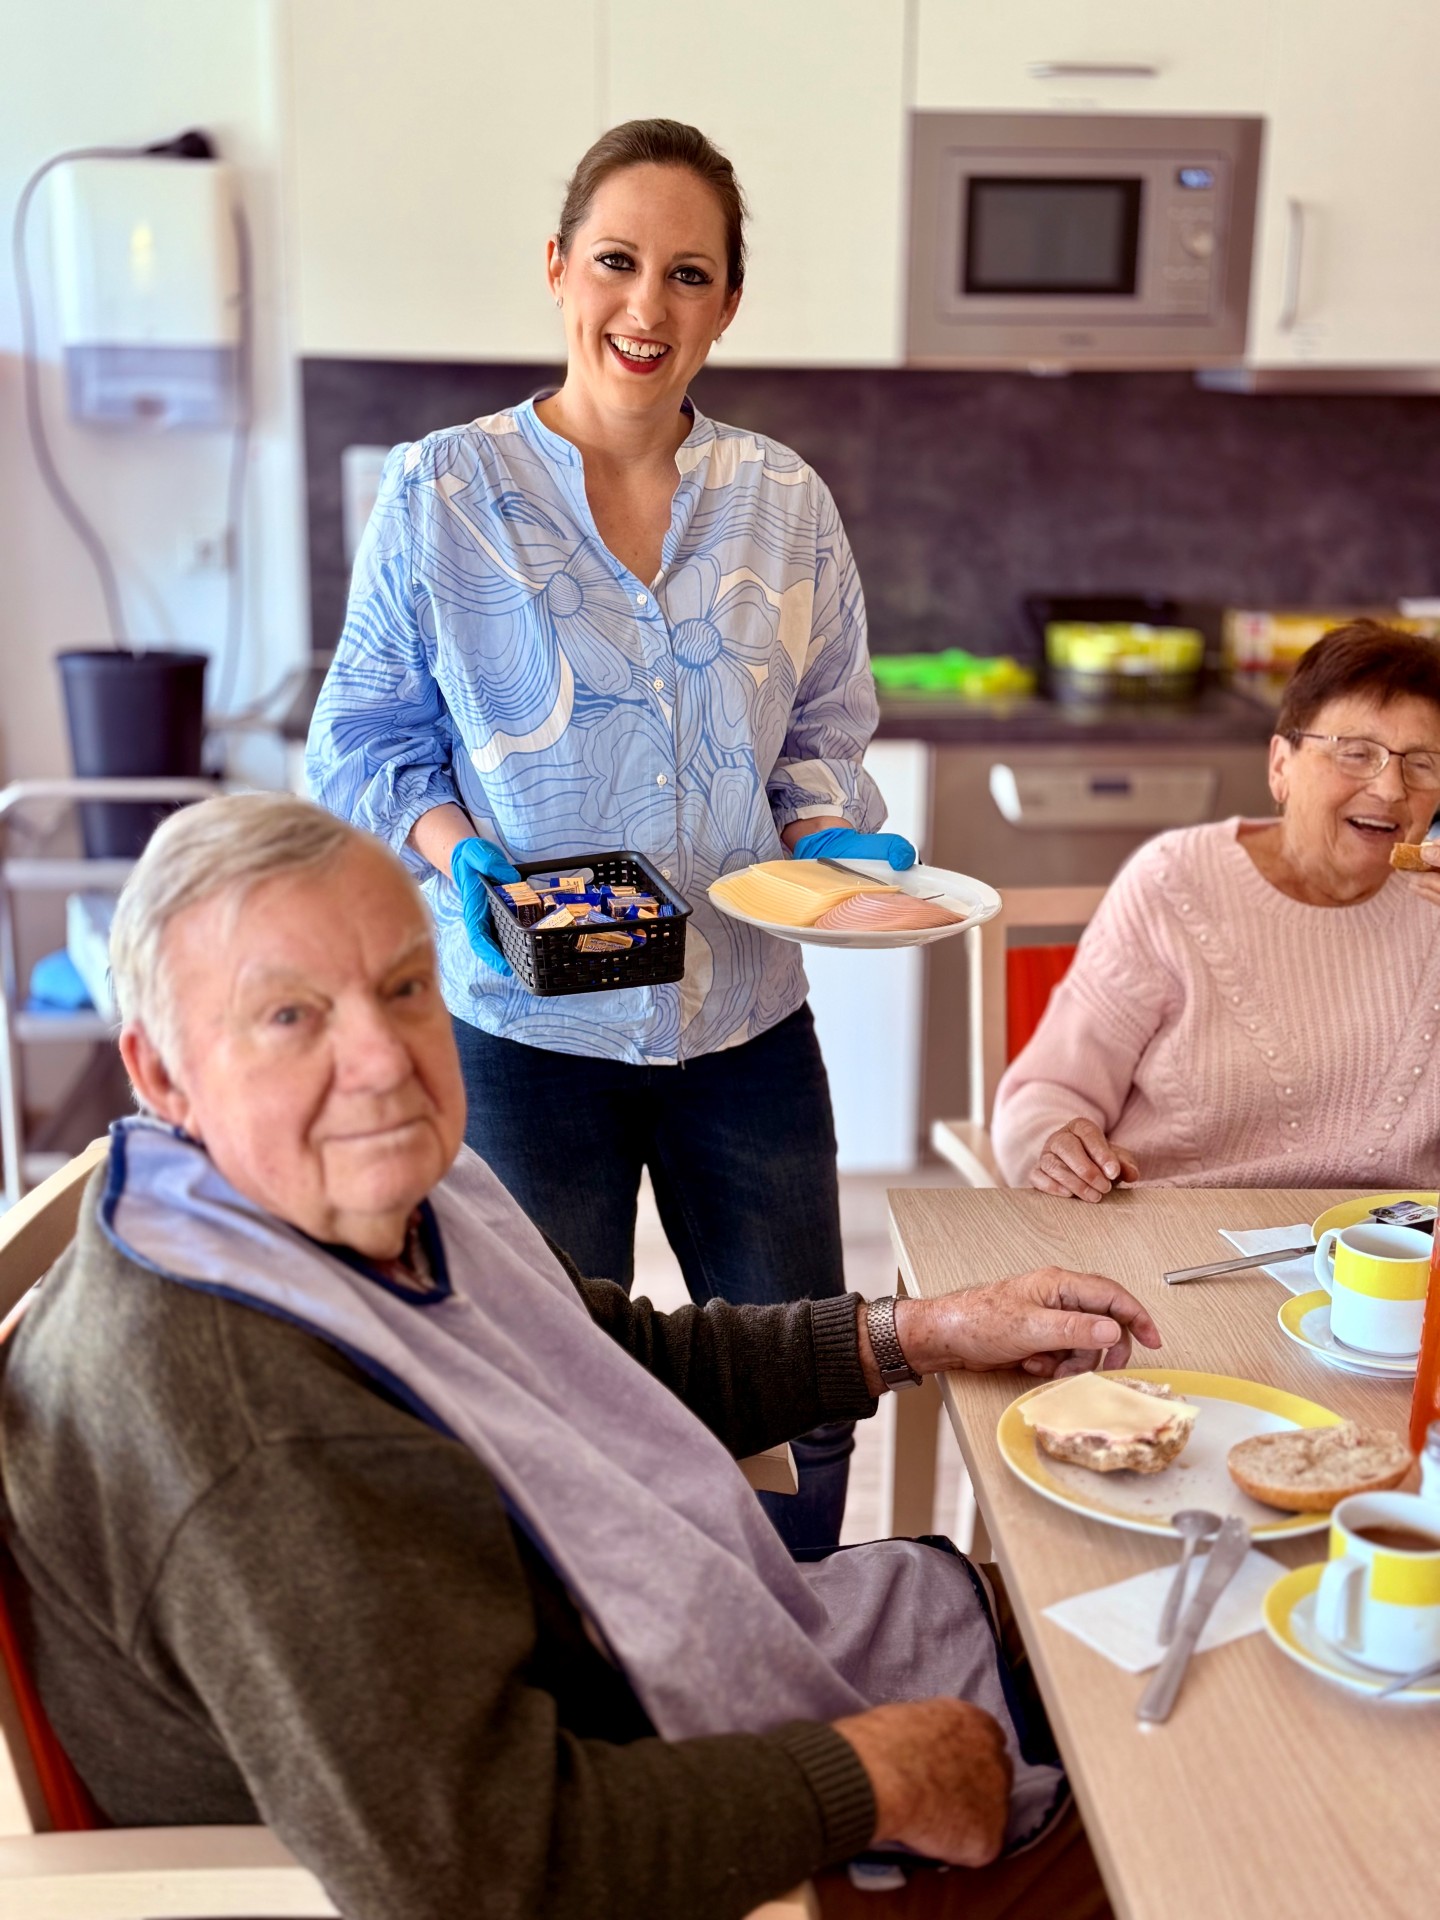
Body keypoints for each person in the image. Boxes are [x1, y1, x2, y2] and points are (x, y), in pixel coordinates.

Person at [0, 795, 1154, 1920]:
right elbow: (486, 1867)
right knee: (1202, 1826)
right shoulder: (250, 1422)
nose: (383, 1061)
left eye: (405, 988)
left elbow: (613, 1355)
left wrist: (923, 1330)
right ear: (158, 1075)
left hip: (645, 1695)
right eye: (290, 1017)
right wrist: (877, 1777)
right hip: (640, 1831)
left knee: (1143, 1642)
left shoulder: (364, 1192)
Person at [306, 119, 914, 1550]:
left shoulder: (785, 503)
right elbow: (363, 741)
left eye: (688, 274)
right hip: (530, 1026)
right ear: (560, 269)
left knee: (805, 1395)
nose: (648, 308)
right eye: (620, 262)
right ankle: (603, 1681)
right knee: (537, 1390)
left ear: (728, 302)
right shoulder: (444, 492)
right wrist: (456, 845)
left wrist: (828, 835)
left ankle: (796, 1642)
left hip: (747, 1024)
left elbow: (824, 733)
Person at [992, 621, 1440, 1198]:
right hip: (1175, 1246)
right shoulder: (1176, 881)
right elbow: (1048, 1092)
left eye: (1423, 764)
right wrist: (1057, 1147)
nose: (1390, 790)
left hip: (1398, 1262)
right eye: (1356, 754)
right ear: (1280, 764)